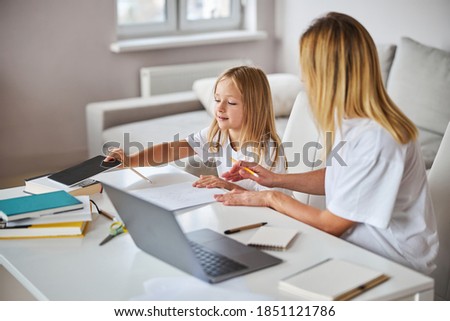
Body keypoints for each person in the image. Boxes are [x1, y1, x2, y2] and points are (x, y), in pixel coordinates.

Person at [217, 12, 438, 274]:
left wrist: (269, 197)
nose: (302, 78)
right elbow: (340, 178)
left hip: (394, 264)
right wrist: (275, 179)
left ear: (331, 75)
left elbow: (330, 224)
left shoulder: (380, 138)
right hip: (353, 248)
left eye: (308, 68)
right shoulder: (353, 121)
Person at [104, 65, 290, 193]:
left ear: (254, 107)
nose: (220, 108)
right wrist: (130, 160)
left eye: (231, 102)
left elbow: (270, 201)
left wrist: (226, 185)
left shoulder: (269, 151)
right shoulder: (218, 134)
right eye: (217, 100)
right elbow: (172, 150)